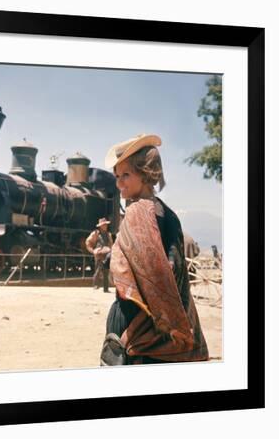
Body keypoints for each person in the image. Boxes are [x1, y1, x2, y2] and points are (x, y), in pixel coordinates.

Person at [100, 134, 209, 366]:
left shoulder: (137, 212)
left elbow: (152, 275)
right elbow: (174, 271)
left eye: (126, 175)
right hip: (167, 327)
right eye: (117, 176)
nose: (119, 183)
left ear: (147, 172)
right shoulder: (169, 214)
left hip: (133, 321)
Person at [85, 217, 113, 293]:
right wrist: (93, 251)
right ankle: (95, 285)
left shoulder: (108, 234)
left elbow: (111, 244)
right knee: (98, 269)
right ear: (100, 226)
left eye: (106, 225)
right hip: (99, 254)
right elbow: (88, 242)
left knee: (106, 271)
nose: (106, 226)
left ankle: (106, 288)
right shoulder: (95, 233)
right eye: (104, 225)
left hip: (106, 254)